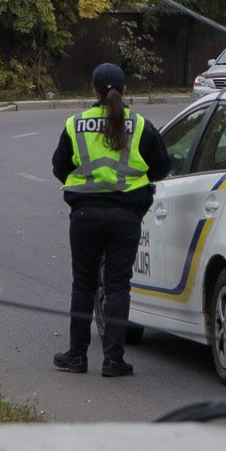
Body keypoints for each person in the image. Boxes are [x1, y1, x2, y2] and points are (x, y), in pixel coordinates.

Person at [51, 63, 170, 377]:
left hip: (85, 216)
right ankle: (113, 360)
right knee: (118, 287)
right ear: (125, 89)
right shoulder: (141, 124)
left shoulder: (76, 124)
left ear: (93, 90)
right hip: (126, 217)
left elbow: (59, 167)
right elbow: (161, 167)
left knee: (84, 285)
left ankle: (77, 356)